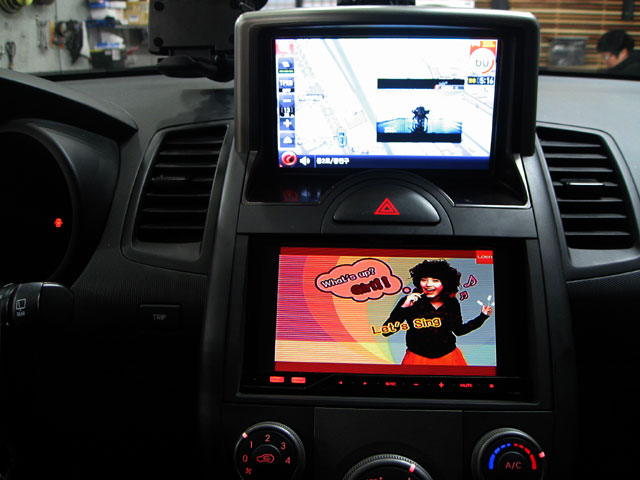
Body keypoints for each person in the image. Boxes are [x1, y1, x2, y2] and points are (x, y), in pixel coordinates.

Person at [381, 259, 492, 366]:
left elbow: (459, 330)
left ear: (445, 283)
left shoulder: (452, 303)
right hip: (416, 358)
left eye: (435, 280)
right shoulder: (409, 301)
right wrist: (404, 307)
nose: (428, 284)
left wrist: (482, 316)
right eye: (424, 279)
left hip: (449, 357)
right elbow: (386, 331)